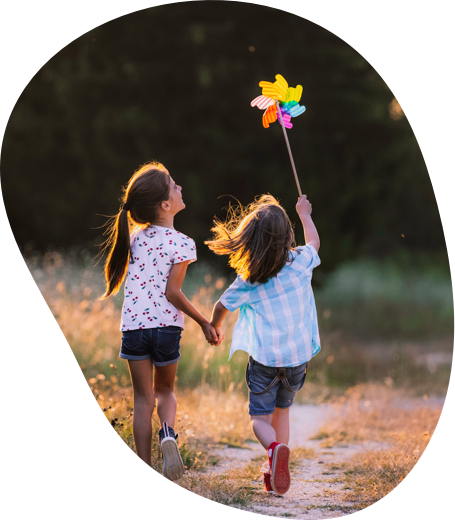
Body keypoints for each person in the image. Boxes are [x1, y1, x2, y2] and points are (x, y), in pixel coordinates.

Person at [99, 161, 219, 480]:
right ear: (166, 205)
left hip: (134, 329)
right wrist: (204, 321)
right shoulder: (182, 243)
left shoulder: (134, 238)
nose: (181, 189)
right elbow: (173, 292)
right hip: (166, 328)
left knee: (143, 399)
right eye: (175, 186)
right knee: (165, 391)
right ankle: (168, 433)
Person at [205, 193, 321, 495]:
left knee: (259, 419)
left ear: (252, 239)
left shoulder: (250, 277)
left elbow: (221, 306)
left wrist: (214, 327)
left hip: (265, 361)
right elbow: (315, 244)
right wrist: (305, 214)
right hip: (297, 360)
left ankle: (272, 449)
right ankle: (276, 464)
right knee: (282, 413)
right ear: (288, 234)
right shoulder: (301, 261)